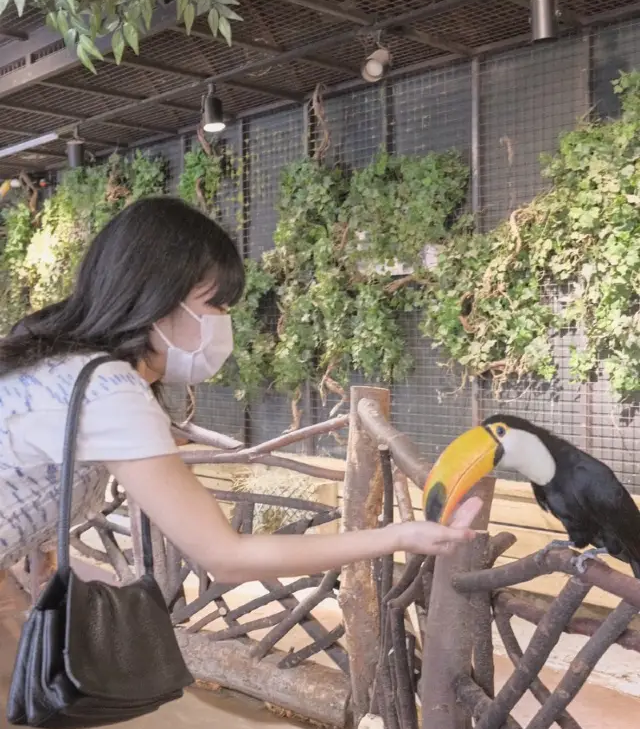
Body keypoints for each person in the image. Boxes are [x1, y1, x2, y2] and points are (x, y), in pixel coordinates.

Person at [0, 196, 481, 580]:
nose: (224, 324)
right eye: (215, 305)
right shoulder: (108, 390)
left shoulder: (59, 363)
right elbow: (226, 555)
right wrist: (396, 537)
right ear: (156, 298)